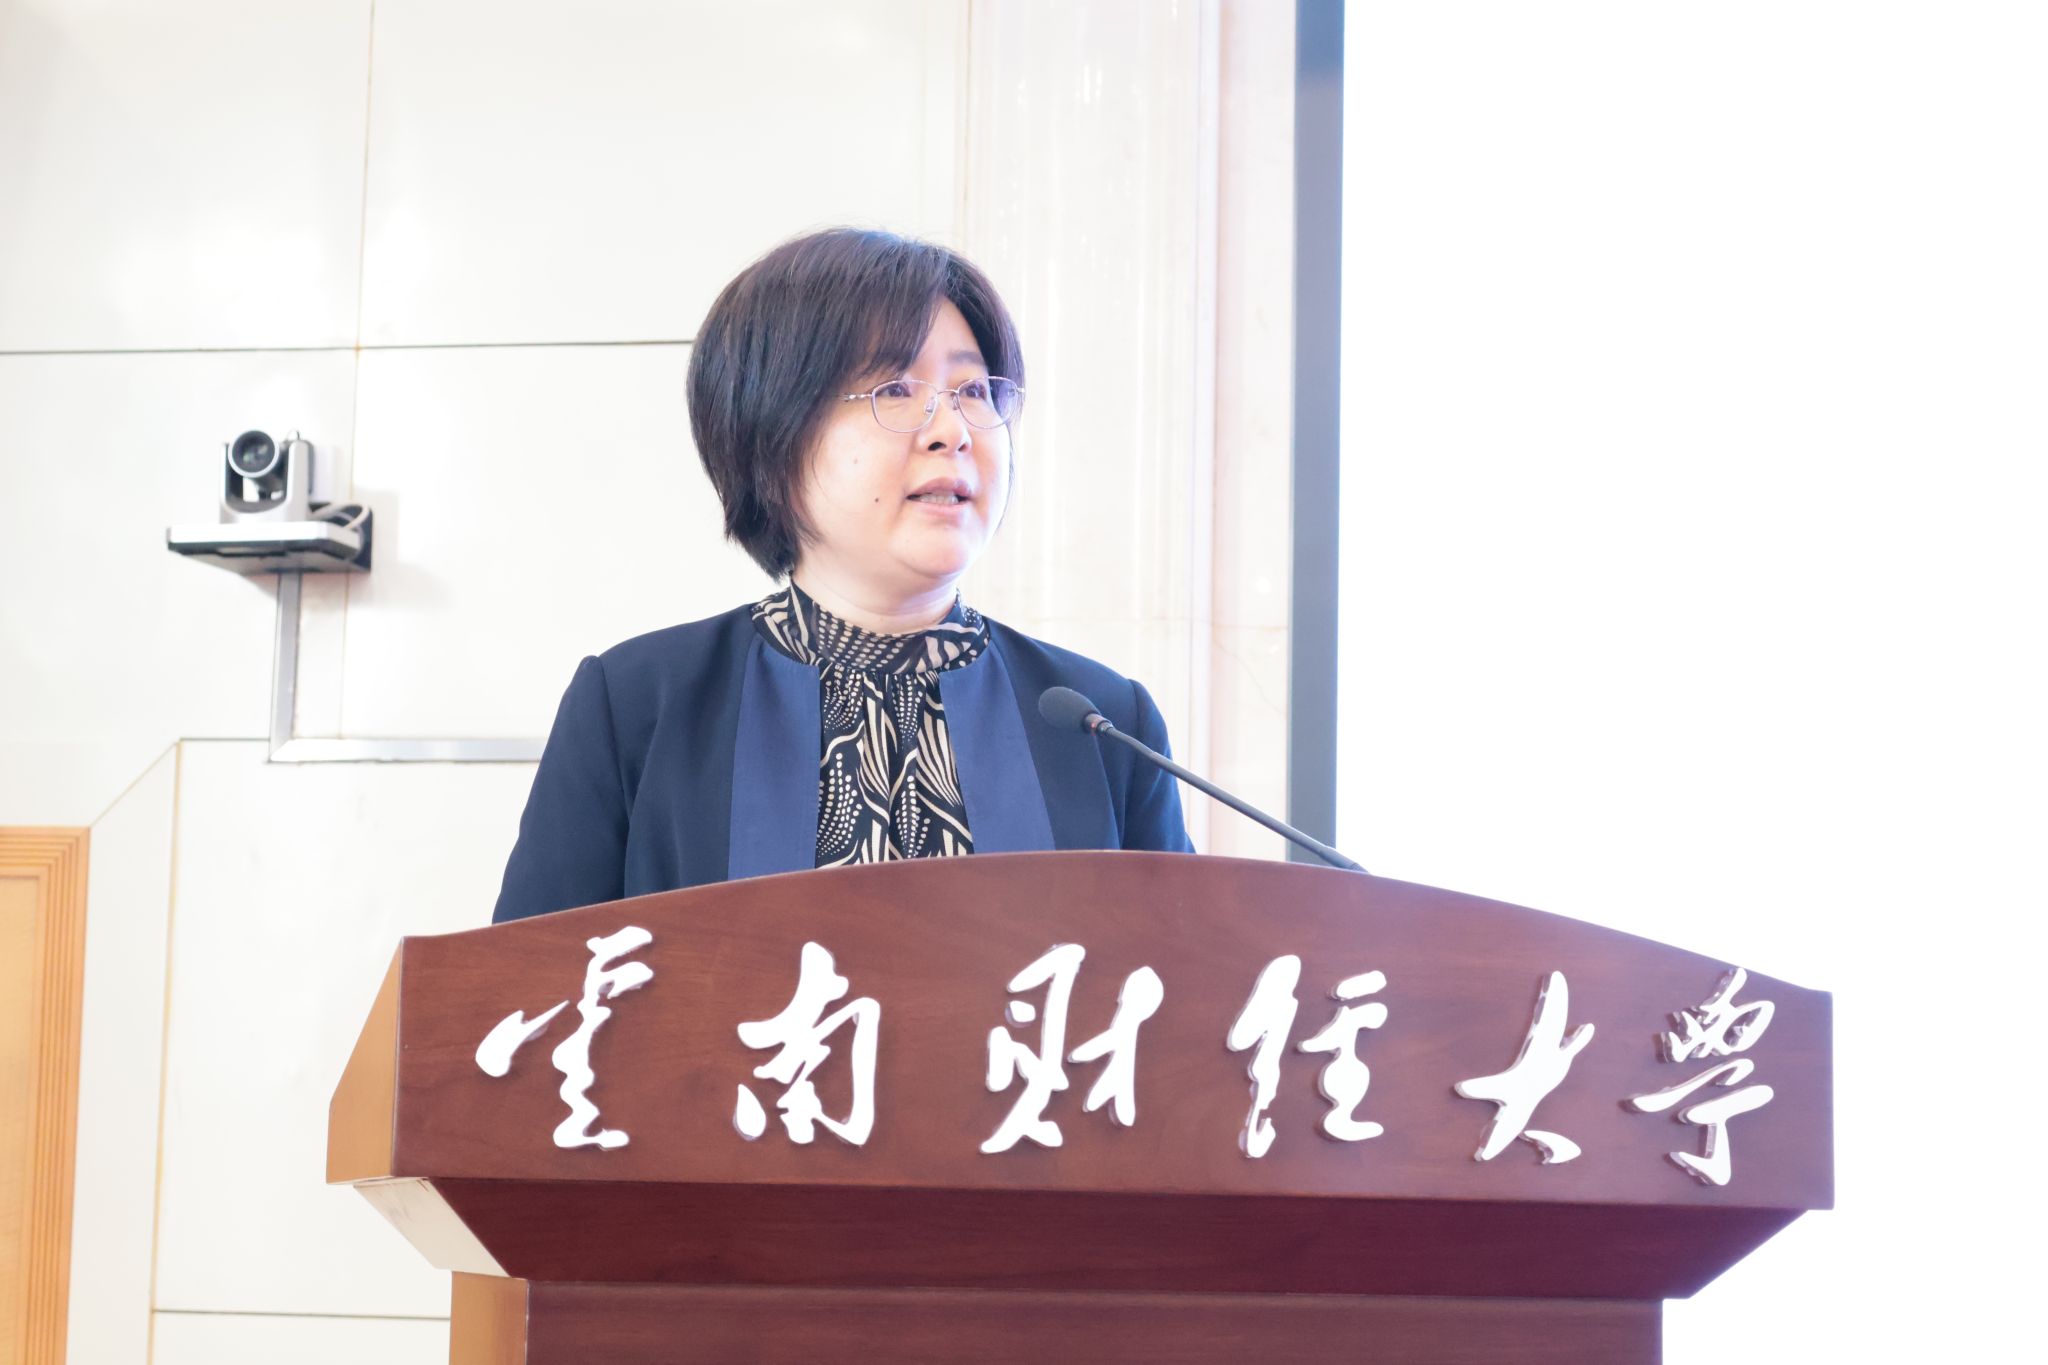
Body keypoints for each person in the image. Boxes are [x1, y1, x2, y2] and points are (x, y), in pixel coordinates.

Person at [491, 228, 1193, 923]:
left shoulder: (1102, 723)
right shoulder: (639, 708)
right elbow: (522, 987)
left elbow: (1186, 978)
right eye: (895, 388)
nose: (951, 429)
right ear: (771, 432)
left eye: (974, 390)